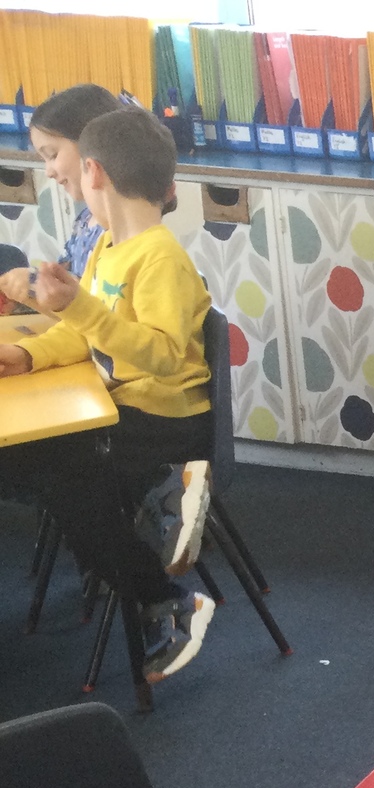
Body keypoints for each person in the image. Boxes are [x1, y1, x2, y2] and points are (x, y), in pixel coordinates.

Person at [0, 108, 216, 680]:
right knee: (51, 476)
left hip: (165, 418)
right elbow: (85, 334)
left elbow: (163, 355)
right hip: (126, 408)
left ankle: (167, 585)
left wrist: (82, 307)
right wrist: (28, 354)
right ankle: (158, 562)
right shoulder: (107, 248)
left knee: (65, 480)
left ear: (93, 172)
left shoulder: (160, 257)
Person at [27, 83, 122, 279]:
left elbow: (100, 293)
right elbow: (65, 274)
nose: (48, 172)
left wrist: (33, 283)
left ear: (91, 146)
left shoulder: (122, 230)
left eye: (52, 155)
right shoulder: (85, 220)